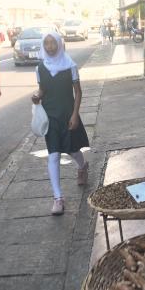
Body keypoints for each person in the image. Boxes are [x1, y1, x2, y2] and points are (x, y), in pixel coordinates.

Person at [31, 31, 90, 215]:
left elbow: (78, 92)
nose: (50, 47)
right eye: (46, 43)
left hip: (67, 114)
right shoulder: (40, 68)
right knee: (54, 155)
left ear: (59, 44)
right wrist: (36, 96)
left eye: (53, 43)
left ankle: (82, 166)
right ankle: (58, 198)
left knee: (73, 150)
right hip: (51, 117)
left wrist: (75, 114)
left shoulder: (70, 65)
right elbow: (42, 90)